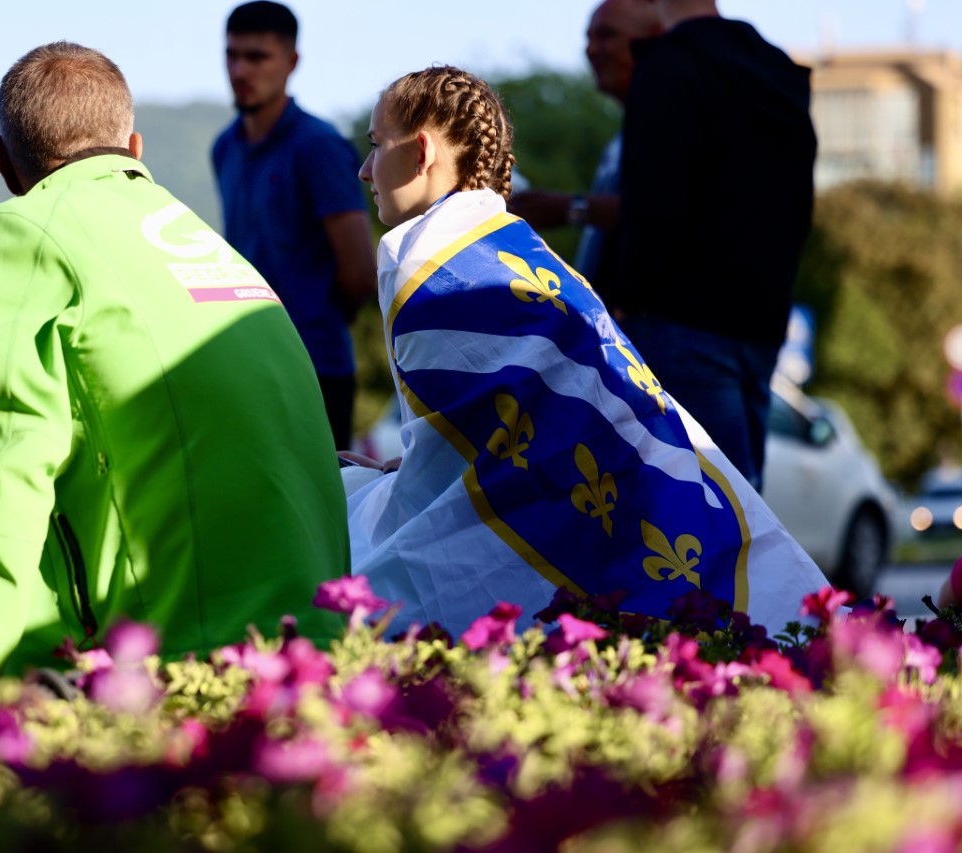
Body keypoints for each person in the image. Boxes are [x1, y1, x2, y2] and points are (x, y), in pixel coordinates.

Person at [0, 41, 348, 676]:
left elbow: (14, 453)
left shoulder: (22, 229)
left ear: (4, 163)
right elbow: (95, 428)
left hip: (187, 646)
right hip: (311, 637)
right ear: (136, 150)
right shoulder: (198, 241)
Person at [342, 64, 829, 641]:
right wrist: (409, 464)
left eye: (376, 146)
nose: (365, 169)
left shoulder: (426, 265)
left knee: (341, 552)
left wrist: (393, 475)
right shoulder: (522, 248)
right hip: (649, 500)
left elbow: (459, 468)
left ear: (421, 151)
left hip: (566, 524)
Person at [613, 0, 818, 493]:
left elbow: (655, 206)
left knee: (707, 507)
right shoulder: (777, 72)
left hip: (682, 321)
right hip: (761, 324)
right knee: (741, 499)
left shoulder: (667, 68)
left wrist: (625, 301)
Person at [212, 0, 376, 450]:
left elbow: (359, 273)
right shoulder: (224, 147)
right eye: (232, 55)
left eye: (257, 56)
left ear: (291, 61)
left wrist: (312, 317)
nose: (240, 69)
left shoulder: (318, 146)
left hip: (315, 368)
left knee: (320, 513)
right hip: (247, 362)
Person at [506, 0, 662, 313]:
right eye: (588, 38)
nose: (591, 50)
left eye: (607, 35)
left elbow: (666, 210)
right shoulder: (621, 139)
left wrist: (571, 209)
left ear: (653, 40)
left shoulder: (668, 127)